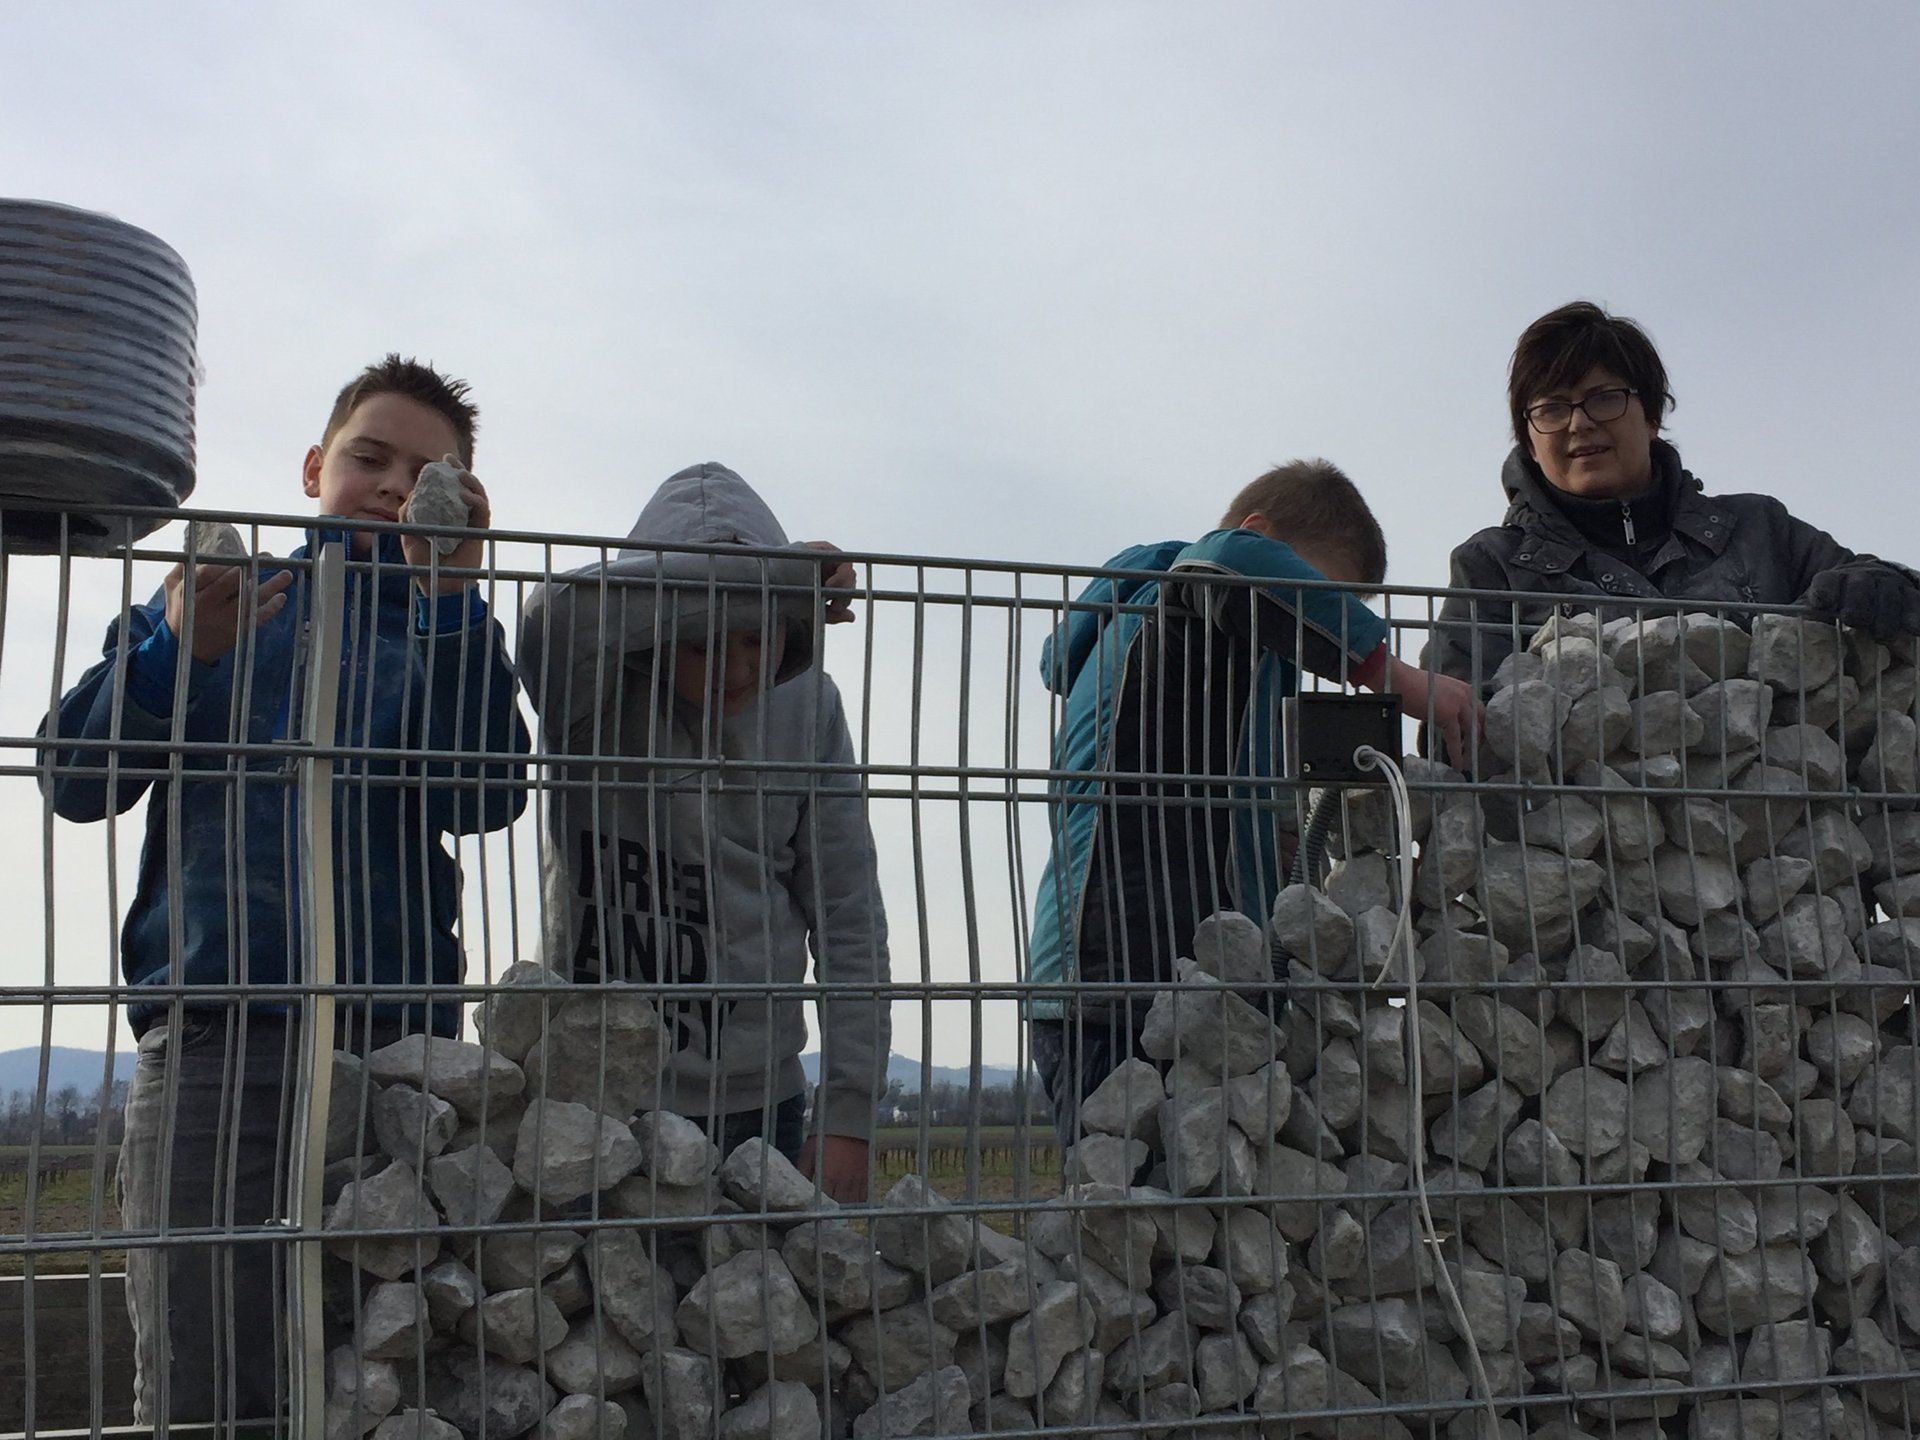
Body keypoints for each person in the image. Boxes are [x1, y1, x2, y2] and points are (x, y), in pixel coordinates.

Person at [38, 355, 530, 1425]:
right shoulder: (213, 601)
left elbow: (487, 793)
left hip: (396, 1048)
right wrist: (177, 655)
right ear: (315, 467)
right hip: (221, 1040)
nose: (398, 487)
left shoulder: (442, 629)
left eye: (431, 474)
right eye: (371, 457)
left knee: (385, 1362)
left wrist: (451, 601)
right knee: (214, 1366)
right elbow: (75, 777)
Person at [1026, 459, 1480, 1148]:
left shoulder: (1209, 655)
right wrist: (1396, 677)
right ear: (1259, 534)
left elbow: (1224, 778)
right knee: (1124, 1209)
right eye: (1321, 598)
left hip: (1164, 969)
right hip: (1118, 974)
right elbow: (1226, 561)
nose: (1311, 641)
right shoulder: (1177, 592)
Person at [519, 461, 889, 1203]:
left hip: (757, 1105)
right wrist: (746, 577)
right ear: (652, 627)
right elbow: (553, 616)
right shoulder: (587, 694)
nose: (738, 667)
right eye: (701, 642)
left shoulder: (811, 709)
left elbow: (849, 915)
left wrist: (848, 1112)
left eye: (759, 637)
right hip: (592, 1095)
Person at [1426, 300, 1920, 690]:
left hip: (1777, 814)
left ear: (1653, 415)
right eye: (1551, 409)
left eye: (1604, 397)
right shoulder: (1492, 567)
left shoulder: (1758, 528)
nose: (1579, 422)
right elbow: (1450, 719)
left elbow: (1874, 580)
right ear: (1529, 442)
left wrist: (1880, 582)